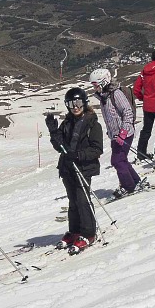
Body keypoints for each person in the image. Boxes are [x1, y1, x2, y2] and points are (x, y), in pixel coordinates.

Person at [45, 87, 104, 253]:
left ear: (84, 103)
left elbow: (97, 149)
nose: (75, 107)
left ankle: (89, 232)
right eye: (71, 104)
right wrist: (53, 131)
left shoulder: (93, 124)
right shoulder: (67, 122)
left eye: (78, 103)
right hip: (68, 168)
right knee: (73, 201)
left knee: (82, 200)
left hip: (84, 168)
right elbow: (61, 147)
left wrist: (77, 155)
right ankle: (75, 230)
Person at [90, 68, 144, 199]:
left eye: (95, 85)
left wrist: (123, 132)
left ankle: (128, 186)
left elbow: (127, 112)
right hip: (115, 135)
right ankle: (135, 181)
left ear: (103, 82)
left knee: (117, 160)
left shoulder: (116, 94)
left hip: (124, 133)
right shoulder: (104, 96)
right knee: (121, 159)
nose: (94, 88)